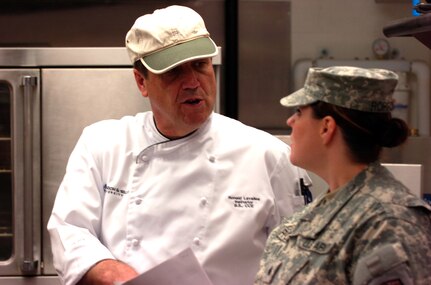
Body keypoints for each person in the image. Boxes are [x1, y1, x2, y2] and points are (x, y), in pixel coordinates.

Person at [47, 5, 311, 285]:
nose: (193, 83)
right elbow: (70, 232)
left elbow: (301, 259)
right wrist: (118, 276)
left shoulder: (269, 156)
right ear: (141, 82)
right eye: (174, 71)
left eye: (200, 65)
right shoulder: (102, 145)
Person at [254, 66, 431, 285]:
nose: (291, 121)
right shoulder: (316, 213)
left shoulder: (388, 221)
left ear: (326, 127)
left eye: (299, 112)